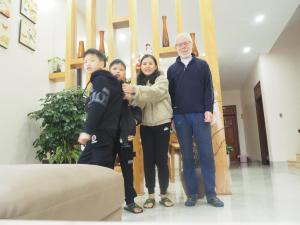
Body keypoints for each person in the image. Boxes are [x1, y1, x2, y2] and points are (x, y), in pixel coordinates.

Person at [167, 32, 224, 207]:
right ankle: (191, 194)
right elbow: (170, 96)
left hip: (200, 116)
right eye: (180, 44)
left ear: (191, 45)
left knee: (206, 154)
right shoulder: (171, 70)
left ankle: (211, 194)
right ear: (176, 48)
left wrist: (208, 110)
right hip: (181, 117)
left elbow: (209, 88)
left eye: (187, 43)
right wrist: (172, 118)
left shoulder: (202, 65)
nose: (184, 46)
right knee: (187, 156)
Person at [122, 54, 174, 209]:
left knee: (162, 160)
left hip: (162, 123)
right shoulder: (138, 83)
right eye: (144, 63)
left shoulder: (162, 80)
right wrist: (130, 97)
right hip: (145, 126)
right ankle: (150, 195)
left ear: (156, 66)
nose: (147, 66)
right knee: (149, 161)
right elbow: (138, 103)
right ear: (141, 67)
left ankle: (164, 194)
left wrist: (135, 90)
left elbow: (156, 93)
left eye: (150, 63)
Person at [78, 49, 123, 168]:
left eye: (92, 60)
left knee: (99, 169)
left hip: (102, 131)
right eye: (85, 61)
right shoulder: (104, 80)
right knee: (84, 165)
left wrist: (87, 130)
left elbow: (97, 105)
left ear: (103, 63)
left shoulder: (100, 80)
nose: (88, 63)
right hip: (103, 131)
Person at [109, 59, 143, 214]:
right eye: (114, 68)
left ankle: (130, 201)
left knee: (128, 171)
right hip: (107, 138)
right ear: (110, 71)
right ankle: (106, 202)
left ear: (125, 73)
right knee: (106, 171)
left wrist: (133, 122)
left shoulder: (129, 89)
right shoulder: (104, 88)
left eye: (121, 69)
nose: (118, 71)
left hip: (125, 138)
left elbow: (138, 111)